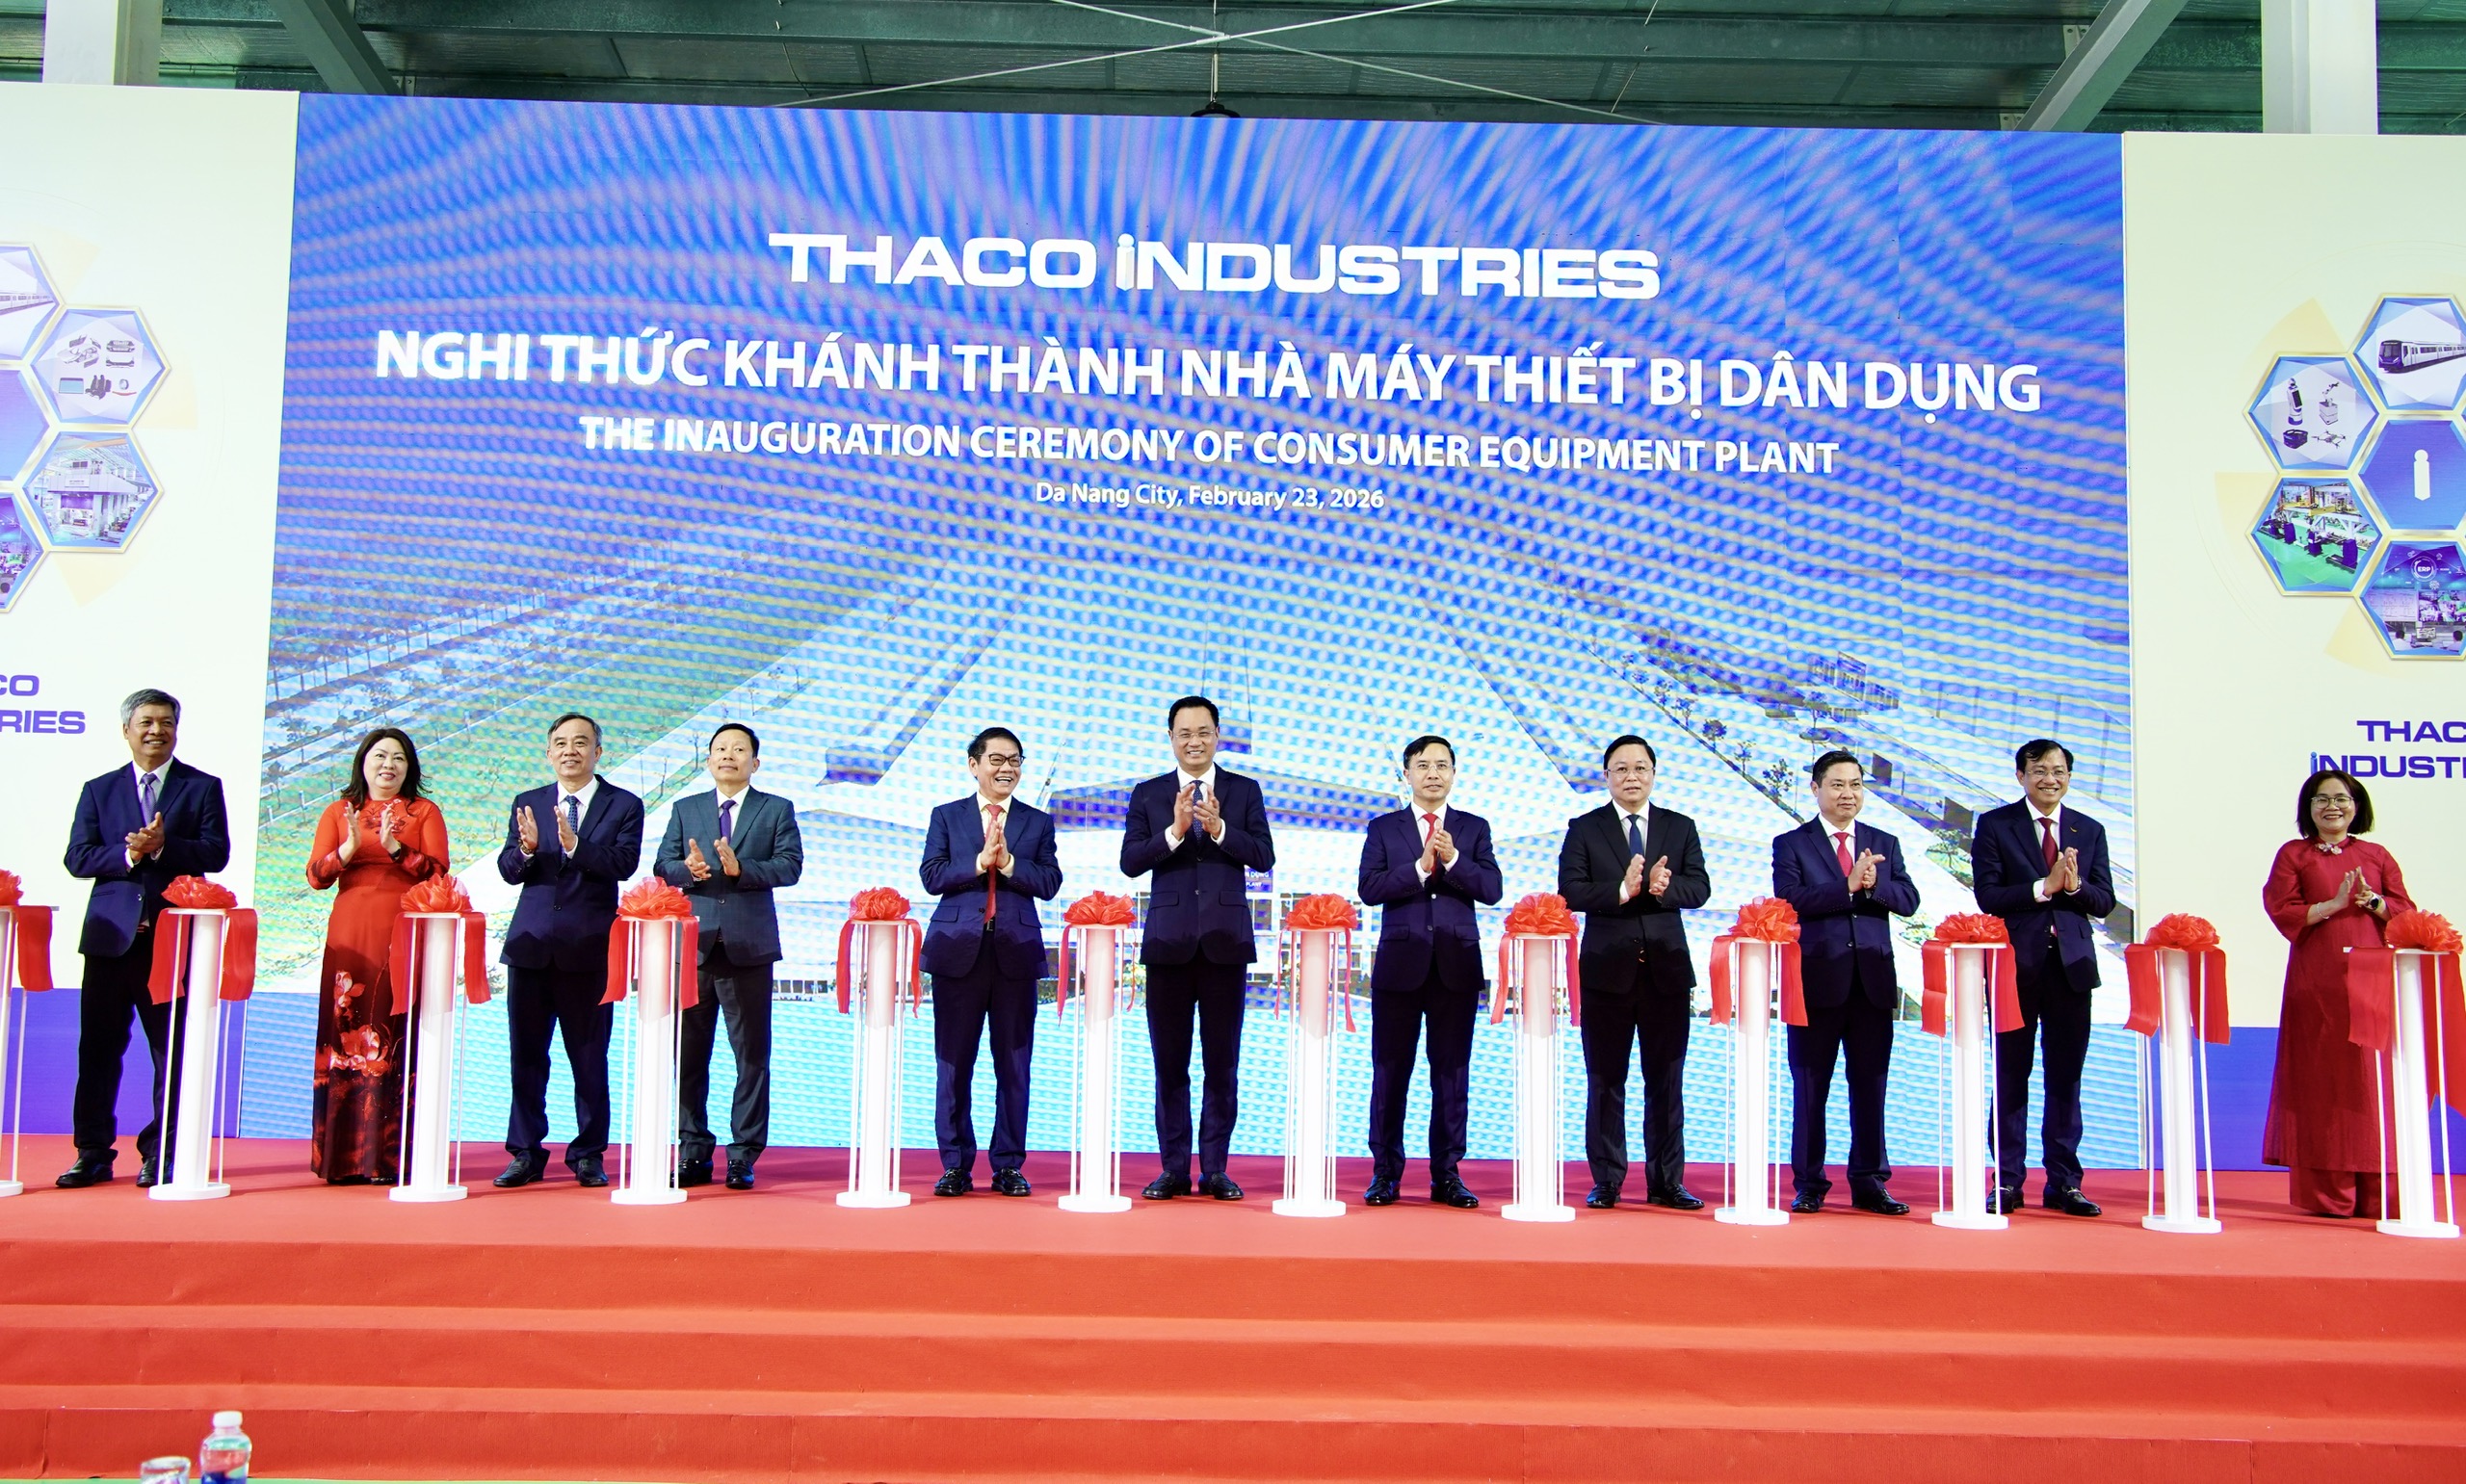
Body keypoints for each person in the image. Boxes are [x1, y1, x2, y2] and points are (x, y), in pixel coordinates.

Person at [57, 689, 232, 1189]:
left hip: (171, 944)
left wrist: (163, 847)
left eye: (166, 722)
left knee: (169, 1053)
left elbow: (215, 852)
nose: (157, 731)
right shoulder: (99, 789)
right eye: (147, 722)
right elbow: (77, 857)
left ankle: (163, 1152)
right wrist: (130, 854)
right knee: (97, 1051)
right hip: (110, 942)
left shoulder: (202, 786)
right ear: (127, 730)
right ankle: (92, 1153)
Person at [1120, 695, 1274, 1200]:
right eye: (1185, 733)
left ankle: (1215, 1170)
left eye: (1203, 732)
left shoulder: (1243, 790)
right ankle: (1172, 1169)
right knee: (1170, 1065)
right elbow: (1130, 862)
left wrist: (1220, 829)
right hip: (1168, 945)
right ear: (1170, 737)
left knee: (1222, 1065)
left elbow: (1264, 856)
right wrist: (1176, 831)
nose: (1194, 741)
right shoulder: (1148, 793)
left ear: (1217, 735)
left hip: (1226, 945)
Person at [1558, 735, 1713, 1211]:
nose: (1631, 777)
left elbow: (1700, 887)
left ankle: (1667, 1181)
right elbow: (1570, 890)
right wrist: (1622, 890)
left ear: (1653, 774)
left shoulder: (1680, 827)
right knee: (1606, 1081)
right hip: (1606, 973)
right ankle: (1607, 1179)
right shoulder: (1585, 828)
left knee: (1666, 1081)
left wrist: (1666, 888)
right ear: (1606, 776)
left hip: (1666, 972)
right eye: (1621, 769)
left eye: (1640, 768)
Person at [491, 713, 644, 1189]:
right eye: (560, 743)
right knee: (526, 1058)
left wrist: (577, 846)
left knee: (590, 1058)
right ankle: (525, 1152)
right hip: (531, 948)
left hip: (589, 950)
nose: (569, 751)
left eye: (580, 743)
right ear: (548, 753)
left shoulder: (624, 804)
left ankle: (589, 1154)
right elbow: (508, 869)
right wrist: (527, 850)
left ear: (598, 752)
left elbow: (624, 863)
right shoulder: (529, 802)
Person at [1771, 750, 1920, 1215]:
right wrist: (1847, 887)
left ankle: (1870, 1181)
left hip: (1872, 983)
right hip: (1817, 983)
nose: (1848, 794)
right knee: (1810, 1088)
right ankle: (1809, 1182)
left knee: (1871, 1087)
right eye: (1838, 785)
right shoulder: (1792, 844)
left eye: (1856, 784)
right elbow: (1789, 899)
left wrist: (1874, 885)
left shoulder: (1883, 841)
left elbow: (1909, 900)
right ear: (1816, 789)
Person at [654, 722, 802, 1190]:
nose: (728, 755)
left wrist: (742, 870)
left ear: (754, 762)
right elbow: (662, 864)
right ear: (708, 760)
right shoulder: (686, 808)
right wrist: (688, 870)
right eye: (720, 748)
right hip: (694, 948)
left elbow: (790, 866)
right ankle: (692, 1151)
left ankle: (743, 1155)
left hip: (749, 948)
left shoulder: (776, 808)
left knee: (751, 1057)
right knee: (688, 1056)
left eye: (739, 749)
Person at [1356, 734, 1503, 1209]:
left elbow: (1492, 889)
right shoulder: (1384, 828)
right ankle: (1385, 1173)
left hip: (1456, 967)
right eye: (1423, 765)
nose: (1433, 773)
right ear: (1407, 774)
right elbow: (1369, 889)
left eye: (1442, 765)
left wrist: (1454, 860)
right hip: (1400, 967)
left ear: (1454, 773)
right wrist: (1419, 869)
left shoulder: (1473, 828)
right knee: (1390, 1073)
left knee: (1452, 1076)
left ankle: (1447, 1175)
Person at [1970, 739, 2114, 1217]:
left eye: (2059, 771)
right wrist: (2042, 887)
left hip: (2072, 969)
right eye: (2039, 771)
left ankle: (2065, 1183)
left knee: (2066, 1077)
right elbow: (1988, 895)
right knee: (2011, 1074)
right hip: (2015, 967)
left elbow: (2105, 902)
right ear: (2021, 776)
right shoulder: (1996, 824)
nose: (2050, 779)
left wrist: (2074, 886)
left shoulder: (2088, 829)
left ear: (2069, 777)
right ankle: (2007, 1181)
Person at [918, 726, 1062, 1196]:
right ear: (973, 764)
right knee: (953, 1065)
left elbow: (1050, 882)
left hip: (1014, 956)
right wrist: (981, 863)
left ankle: (1008, 1165)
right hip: (957, 953)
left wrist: (1011, 864)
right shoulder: (947, 816)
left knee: (1014, 1066)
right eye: (997, 759)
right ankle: (955, 1165)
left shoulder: (1037, 822)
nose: (1007, 768)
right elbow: (931, 875)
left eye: (1015, 760)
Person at [2262, 768, 2413, 1218]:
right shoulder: (2294, 854)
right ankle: (2330, 1194)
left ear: (2356, 805)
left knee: (2371, 1082)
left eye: (2341, 798)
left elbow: (2406, 912)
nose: (2332, 807)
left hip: (2372, 981)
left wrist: (2375, 903)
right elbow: (2280, 907)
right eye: (2321, 799)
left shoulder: (2376, 855)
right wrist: (2330, 906)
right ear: (2308, 809)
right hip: (2316, 982)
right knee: (2322, 1079)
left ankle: (2379, 1193)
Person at [304, 727, 452, 1184]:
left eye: (399, 758)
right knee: (345, 1032)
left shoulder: (423, 811)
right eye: (380, 756)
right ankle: (343, 1159)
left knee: (394, 1030)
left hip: (402, 932)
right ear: (363, 763)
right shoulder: (339, 811)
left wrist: (395, 849)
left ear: (410, 768)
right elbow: (316, 876)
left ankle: (391, 1158)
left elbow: (439, 873)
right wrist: (348, 849)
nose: (389, 765)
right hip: (349, 935)